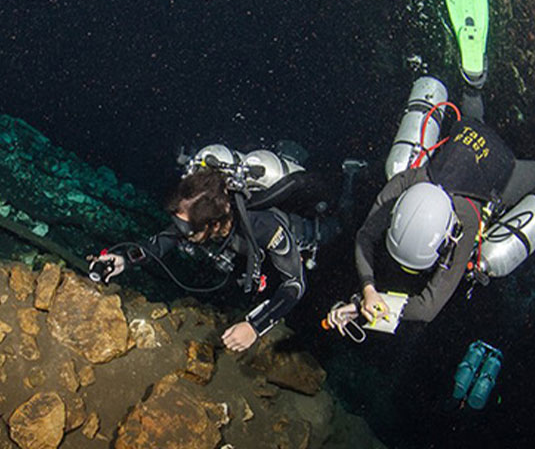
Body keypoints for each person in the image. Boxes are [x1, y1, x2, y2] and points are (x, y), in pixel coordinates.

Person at [326, 79, 535, 332]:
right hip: (470, 136)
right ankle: (473, 83)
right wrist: (369, 292)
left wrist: (362, 302)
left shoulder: (467, 220)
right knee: (474, 123)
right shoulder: (406, 179)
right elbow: (366, 236)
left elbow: (427, 308)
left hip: (505, 170)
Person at [92, 144, 358, 353]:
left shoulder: (262, 224)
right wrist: (123, 260)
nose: (179, 232)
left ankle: (352, 177)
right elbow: (162, 241)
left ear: (214, 224)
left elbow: (295, 284)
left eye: (186, 229)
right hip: (249, 251)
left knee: (343, 226)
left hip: (313, 237)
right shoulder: (199, 213)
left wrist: (255, 326)